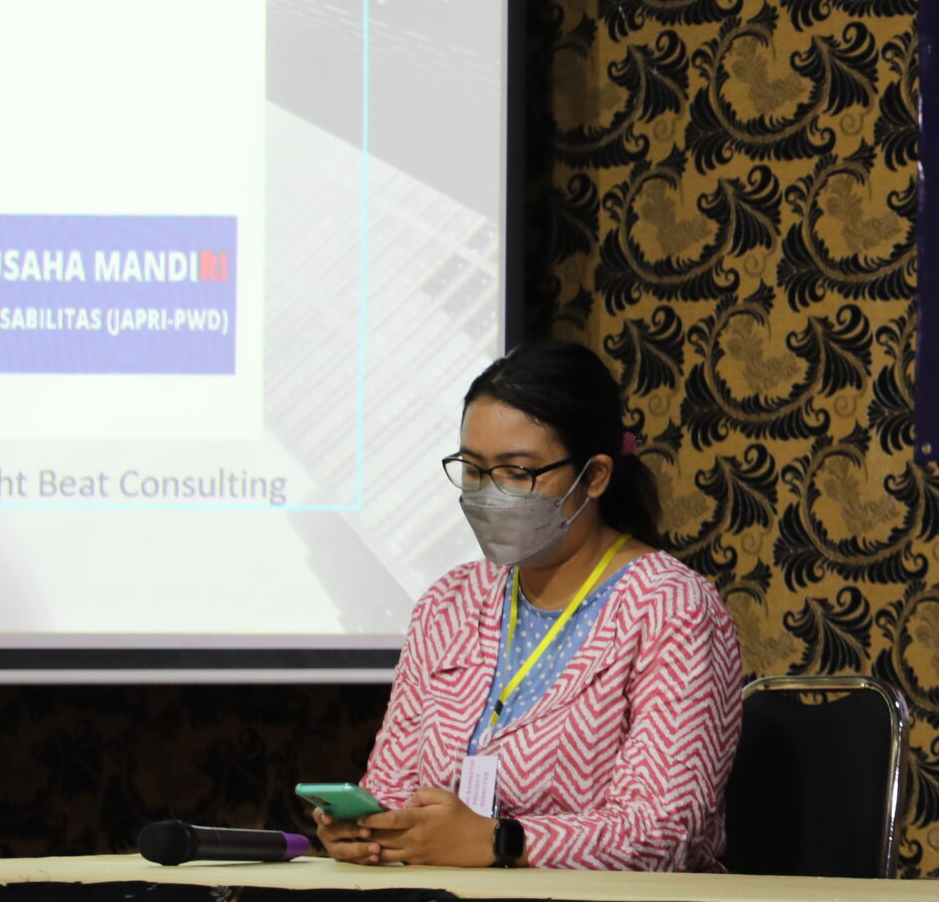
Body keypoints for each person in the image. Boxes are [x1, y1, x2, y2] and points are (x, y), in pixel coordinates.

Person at [314, 340, 745, 871]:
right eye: (472, 470)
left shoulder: (671, 608)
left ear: (595, 476)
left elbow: (662, 834)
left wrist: (501, 842)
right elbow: (391, 787)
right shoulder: (448, 604)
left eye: (517, 473)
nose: (488, 493)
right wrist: (368, 831)